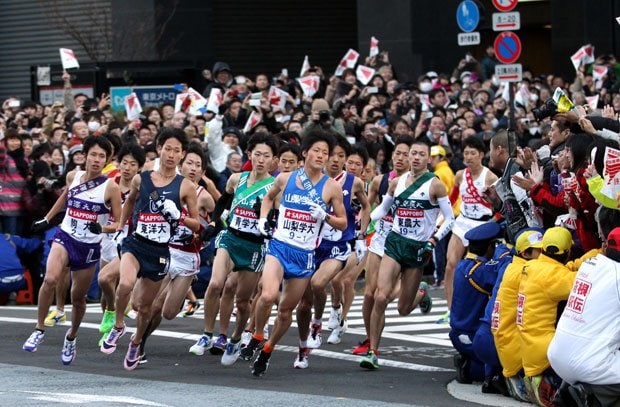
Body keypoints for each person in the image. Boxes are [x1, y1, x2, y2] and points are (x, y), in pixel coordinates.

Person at [242, 130, 347, 376]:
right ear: (305, 153)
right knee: (267, 296)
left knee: (286, 311)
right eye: (317, 151)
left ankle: (267, 350)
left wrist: (326, 216)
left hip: (304, 255)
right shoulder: (285, 179)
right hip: (279, 246)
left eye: (325, 152)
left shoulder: (332, 187)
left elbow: (342, 223)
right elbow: (268, 200)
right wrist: (263, 220)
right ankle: (257, 335)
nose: (321, 156)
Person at [100, 128, 199, 371]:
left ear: (182, 155)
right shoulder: (141, 179)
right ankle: (119, 326)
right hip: (136, 244)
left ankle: (136, 342)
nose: (171, 154)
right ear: (159, 149)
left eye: (177, 150)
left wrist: (181, 216)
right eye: (168, 148)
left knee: (145, 308)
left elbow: (197, 225)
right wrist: (121, 226)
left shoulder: (185, 186)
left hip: (160, 251)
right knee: (124, 284)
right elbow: (131, 200)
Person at [23, 136, 122, 366]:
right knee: (49, 279)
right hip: (65, 235)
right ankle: (39, 329)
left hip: (88, 246)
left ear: (107, 160)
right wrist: (47, 219)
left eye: (102, 156)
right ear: (84, 155)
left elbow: (119, 222)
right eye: (93, 154)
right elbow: (65, 197)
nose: (96, 160)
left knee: (78, 297)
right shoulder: (73, 176)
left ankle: (71, 337)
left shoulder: (110, 187)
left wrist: (102, 227)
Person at [360, 139, 455, 369]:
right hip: (394, 243)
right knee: (380, 296)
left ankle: (421, 293)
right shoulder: (396, 183)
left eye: (421, 154)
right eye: (413, 153)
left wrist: (434, 239)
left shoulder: (435, 185)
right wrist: (363, 224)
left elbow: (450, 218)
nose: (415, 157)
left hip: (418, 248)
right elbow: (383, 209)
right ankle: (373, 351)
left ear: (428, 159)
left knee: (403, 309)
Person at [188, 133, 278, 366]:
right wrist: (216, 223)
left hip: (254, 246)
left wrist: (265, 217)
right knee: (216, 283)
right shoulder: (236, 179)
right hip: (230, 238)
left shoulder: (274, 188)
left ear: (272, 160)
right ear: (249, 154)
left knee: (242, 300)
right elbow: (223, 202)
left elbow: (275, 221)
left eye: (266, 156)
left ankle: (237, 338)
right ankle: (207, 334)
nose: (260, 160)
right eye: (257, 154)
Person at [293, 134, 369, 369]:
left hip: (338, 244)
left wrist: (361, 234)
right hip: (310, 244)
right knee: (303, 304)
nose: (335, 160)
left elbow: (366, 206)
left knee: (320, 283)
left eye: (341, 156)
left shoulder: (352, 182)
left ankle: (322, 320)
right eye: (331, 155)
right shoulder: (308, 180)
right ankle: (303, 348)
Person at [141, 142, 215, 363]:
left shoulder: (203, 196)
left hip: (189, 257)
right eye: (189, 163)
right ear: (182, 165)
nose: (193, 168)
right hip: (167, 250)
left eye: (198, 165)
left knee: (169, 312)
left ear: (202, 172)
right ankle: (140, 343)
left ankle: (180, 298)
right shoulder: (167, 187)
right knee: (154, 305)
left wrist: (208, 231)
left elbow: (221, 212)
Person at [353, 135, 414, 356]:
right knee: (370, 294)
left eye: (405, 154)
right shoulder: (380, 181)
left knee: (383, 295)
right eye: (397, 153)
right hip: (380, 239)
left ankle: (420, 293)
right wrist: (361, 234)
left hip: (401, 242)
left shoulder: (417, 184)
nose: (400, 158)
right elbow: (367, 208)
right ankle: (370, 341)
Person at [548, 227, 620, 407]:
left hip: (558, 358)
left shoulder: (590, 265)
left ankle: (569, 391)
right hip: (589, 365)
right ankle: (589, 396)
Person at [441, 136, 498, 324]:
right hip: (462, 222)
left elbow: (499, 203)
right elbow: (452, 197)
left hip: (482, 225)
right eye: (466, 153)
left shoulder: (490, 177)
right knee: (451, 264)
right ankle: (450, 309)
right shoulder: (459, 175)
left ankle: (480, 309)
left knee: (479, 269)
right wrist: (445, 216)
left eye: (473, 153)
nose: (469, 157)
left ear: (481, 155)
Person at [518, 226, 577, 406]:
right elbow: (586, 281)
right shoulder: (556, 277)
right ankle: (552, 384)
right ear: (568, 252)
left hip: (528, 346)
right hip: (546, 351)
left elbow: (561, 271)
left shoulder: (531, 266)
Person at [97, 144, 146, 345]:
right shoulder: (110, 183)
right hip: (107, 238)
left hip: (128, 240)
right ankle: (108, 330)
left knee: (105, 278)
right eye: (124, 162)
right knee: (104, 292)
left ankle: (115, 319)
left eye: (132, 164)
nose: (127, 167)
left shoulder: (142, 188)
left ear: (139, 168)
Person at [492, 228, 544, 403]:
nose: (543, 254)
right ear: (526, 253)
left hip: (504, 344)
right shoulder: (525, 271)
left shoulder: (513, 267)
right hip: (515, 349)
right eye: (540, 250)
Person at [449, 222, 503, 385]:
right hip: (472, 336)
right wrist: (504, 255)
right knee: (502, 366)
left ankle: (468, 361)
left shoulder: (462, 265)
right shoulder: (482, 270)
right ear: (489, 247)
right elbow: (503, 272)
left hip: (458, 333)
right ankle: (469, 367)